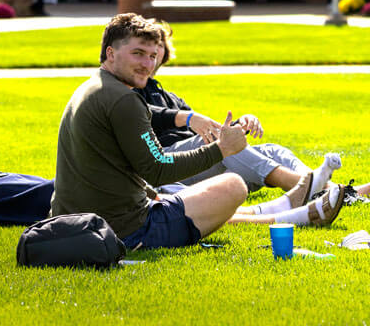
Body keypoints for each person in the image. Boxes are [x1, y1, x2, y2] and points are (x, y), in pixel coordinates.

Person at [50, 14, 346, 253]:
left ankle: (287, 210)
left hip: (84, 220)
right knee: (232, 187)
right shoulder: (124, 99)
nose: (147, 64)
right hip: (125, 230)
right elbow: (157, 168)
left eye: (153, 56)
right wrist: (220, 149)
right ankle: (293, 213)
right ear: (111, 53)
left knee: (182, 193)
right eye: (138, 53)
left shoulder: (95, 87)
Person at [140, 22, 370, 198]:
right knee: (226, 146)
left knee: (274, 150)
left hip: (198, 161)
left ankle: (324, 187)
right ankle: (325, 192)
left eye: (156, 49)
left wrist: (241, 123)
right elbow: (147, 114)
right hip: (170, 164)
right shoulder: (125, 91)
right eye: (143, 50)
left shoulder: (169, 95)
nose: (151, 57)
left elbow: (208, 130)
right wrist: (188, 118)